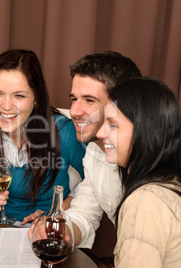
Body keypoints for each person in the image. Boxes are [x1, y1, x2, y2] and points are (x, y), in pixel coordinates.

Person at [23, 51, 142, 249]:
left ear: (123, 105)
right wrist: (62, 232)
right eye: (74, 99)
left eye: (89, 100)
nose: (75, 111)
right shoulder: (95, 152)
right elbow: (84, 214)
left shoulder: (157, 164)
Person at [0, 49, 85, 223]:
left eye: (19, 95)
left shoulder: (64, 132)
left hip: (46, 230)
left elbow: (94, 183)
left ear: (36, 98)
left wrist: (57, 212)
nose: (6, 106)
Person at [96, 77, 181, 267]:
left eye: (112, 124)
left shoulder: (146, 201)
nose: (100, 133)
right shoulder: (170, 182)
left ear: (145, 130)